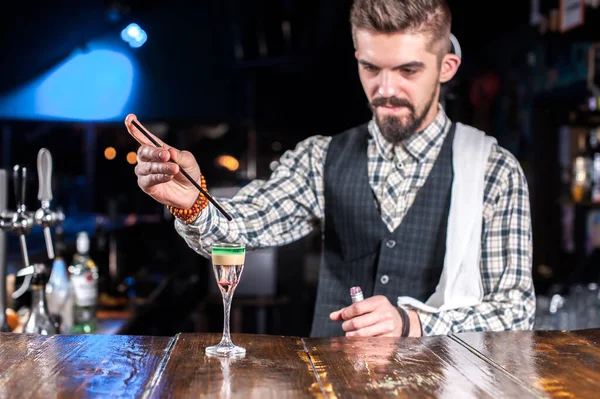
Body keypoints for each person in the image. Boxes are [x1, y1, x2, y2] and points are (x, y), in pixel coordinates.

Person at [125, 0, 535, 338]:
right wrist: (193, 204)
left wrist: (415, 323)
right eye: (371, 68)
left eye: (408, 70)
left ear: (446, 67)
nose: (386, 89)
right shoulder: (321, 157)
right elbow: (241, 227)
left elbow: (515, 316)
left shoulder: (492, 171)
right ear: (357, 58)